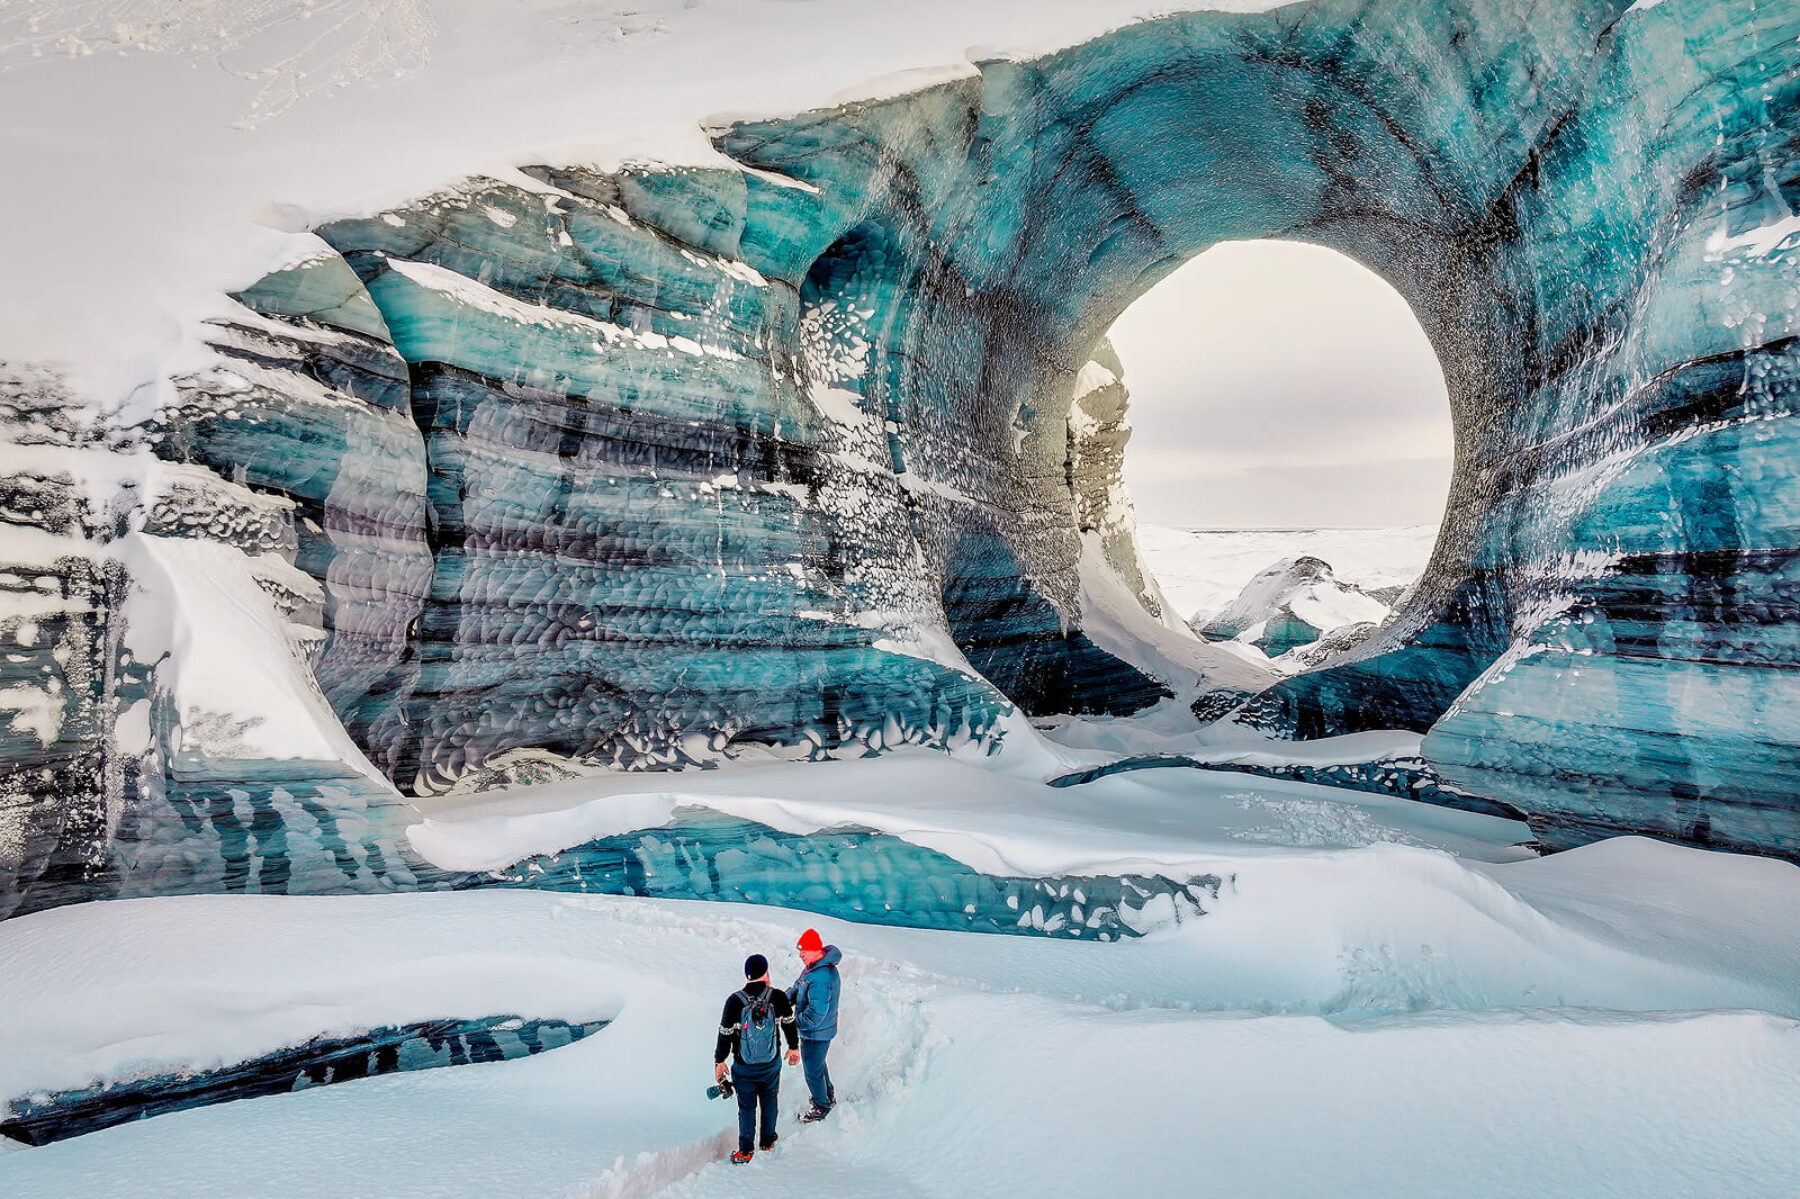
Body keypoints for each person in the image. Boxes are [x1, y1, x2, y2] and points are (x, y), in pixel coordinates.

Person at [715, 953, 800, 1164]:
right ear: (766, 973)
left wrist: (720, 1061)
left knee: (746, 1108)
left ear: (747, 976)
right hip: (771, 1064)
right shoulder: (778, 997)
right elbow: (789, 1023)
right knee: (770, 1101)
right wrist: (794, 1047)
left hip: (743, 1067)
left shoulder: (734, 1001)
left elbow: (725, 1033)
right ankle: (768, 1142)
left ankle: (745, 1151)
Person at [787, 928, 842, 1122]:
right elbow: (798, 986)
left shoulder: (821, 977)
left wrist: (796, 1022)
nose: (800, 955)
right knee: (818, 1065)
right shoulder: (813, 967)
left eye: (803, 951)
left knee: (812, 1070)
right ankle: (828, 1097)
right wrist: (784, 1000)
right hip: (819, 1031)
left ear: (815, 949)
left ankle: (821, 1107)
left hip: (816, 1033)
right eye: (799, 950)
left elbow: (817, 1013)